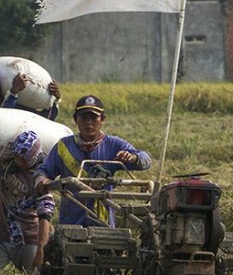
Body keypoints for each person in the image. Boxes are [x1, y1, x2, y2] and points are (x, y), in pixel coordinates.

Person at [34, 95, 152, 227]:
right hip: (71, 221)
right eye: (84, 117)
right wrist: (41, 180)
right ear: (75, 119)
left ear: (102, 119)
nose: (88, 122)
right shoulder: (64, 146)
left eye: (93, 117)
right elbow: (44, 170)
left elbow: (146, 160)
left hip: (103, 221)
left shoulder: (113, 145)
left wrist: (133, 158)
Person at [0, 67, 61, 241]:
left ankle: (26, 247)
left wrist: (54, 99)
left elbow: (42, 122)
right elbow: (4, 121)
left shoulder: (17, 103)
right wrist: (12, 93)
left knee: (24, 213)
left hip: (19, 172)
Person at [0, 130, 55, 275]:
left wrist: (41, 249)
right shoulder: (8, 164)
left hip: (30, 241)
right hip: (2, 236)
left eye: (23, 158)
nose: (19, 161)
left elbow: (45, 217)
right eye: (17, 157)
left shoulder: (41, 178)